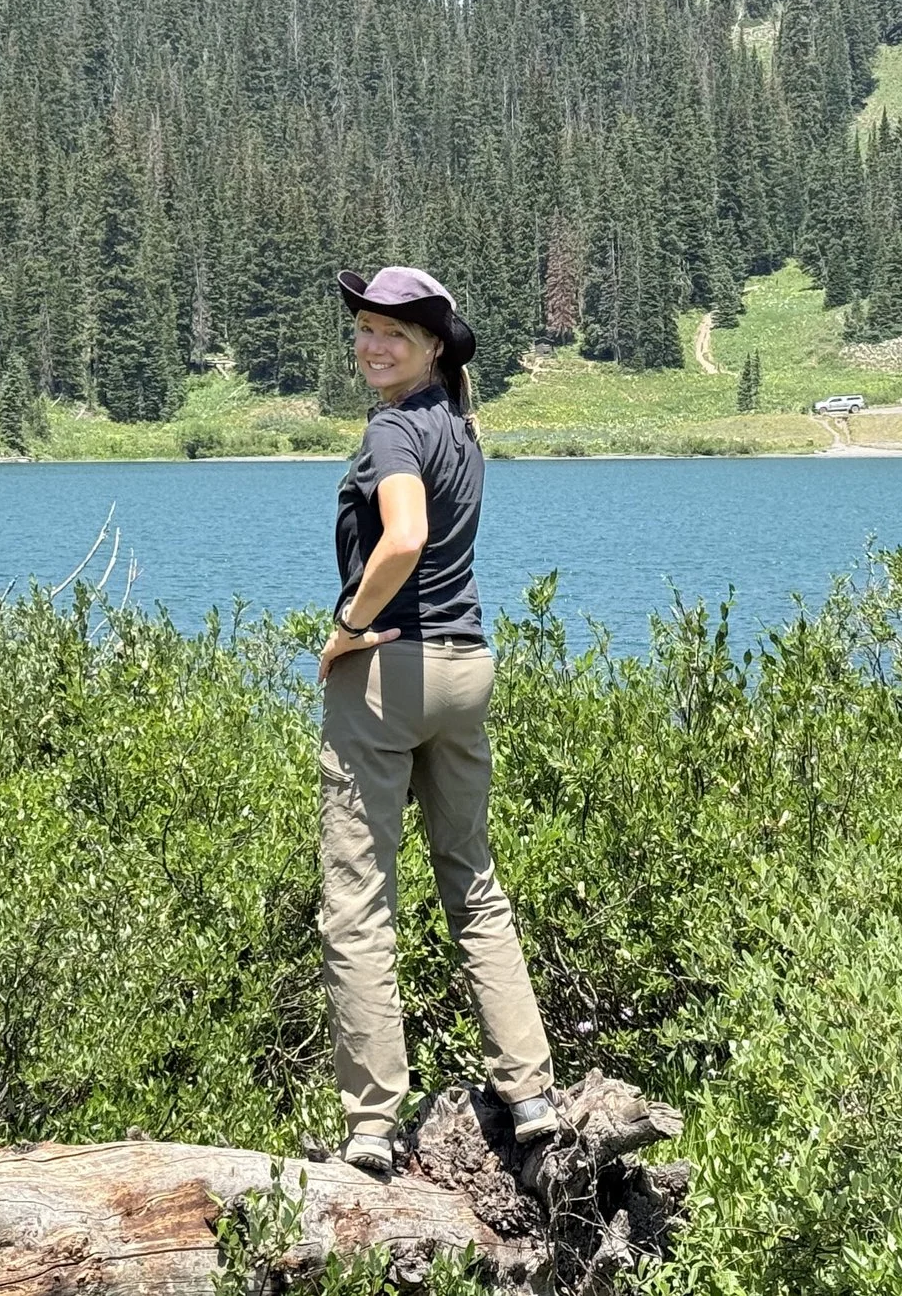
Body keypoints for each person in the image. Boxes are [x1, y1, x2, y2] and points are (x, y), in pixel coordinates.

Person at [315, 264, 557, 1177]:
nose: (370, 344)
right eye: (365, 328)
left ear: (428, 348)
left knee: (358, 898)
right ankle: (529, 1089)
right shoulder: (460, 426)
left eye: (391, 333)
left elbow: (404, 537)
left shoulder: (392, 431)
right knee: (474, 883)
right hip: (467, 666)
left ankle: (372, 1124)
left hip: (389, 672)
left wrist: (347, 627)